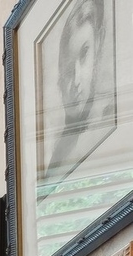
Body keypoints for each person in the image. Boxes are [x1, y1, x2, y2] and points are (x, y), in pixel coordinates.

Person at [44, 0, 113, 185]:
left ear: (97, 45)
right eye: (68, 70)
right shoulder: (59, 150)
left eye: (84, 54)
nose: (76, 80)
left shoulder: (111, 115)